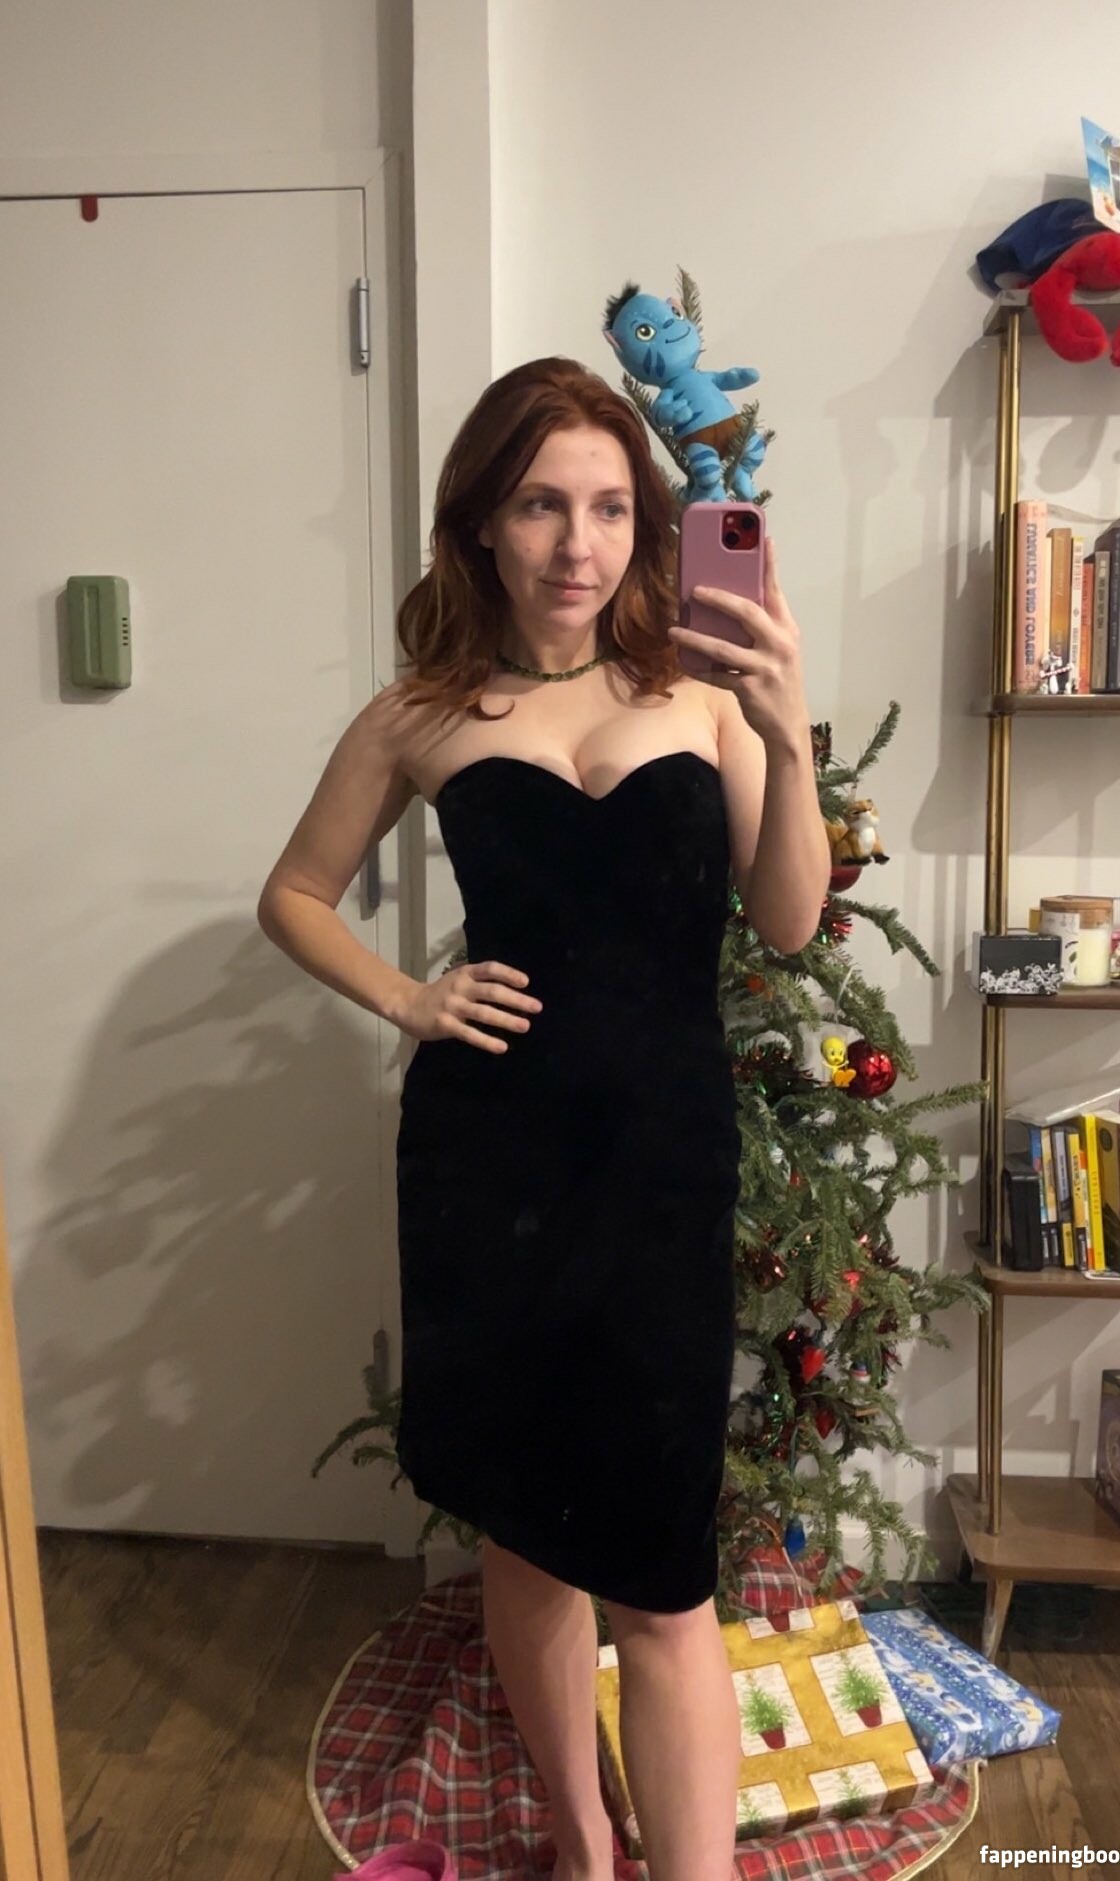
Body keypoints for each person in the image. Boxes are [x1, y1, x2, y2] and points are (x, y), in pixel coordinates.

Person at [257, 357, 829, 1881]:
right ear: (481, 525)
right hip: (486, 1161)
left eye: (609, 507)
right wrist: (408, 996)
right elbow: (293, 893)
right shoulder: (423, 711)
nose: (578, 543)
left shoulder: (702, 691)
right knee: (520, 1527)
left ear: (645, 524)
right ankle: (582, 1839)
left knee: (663, 1576)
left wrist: (787, 732)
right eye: (538, 505)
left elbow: (786, 921)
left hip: (660, 1168)